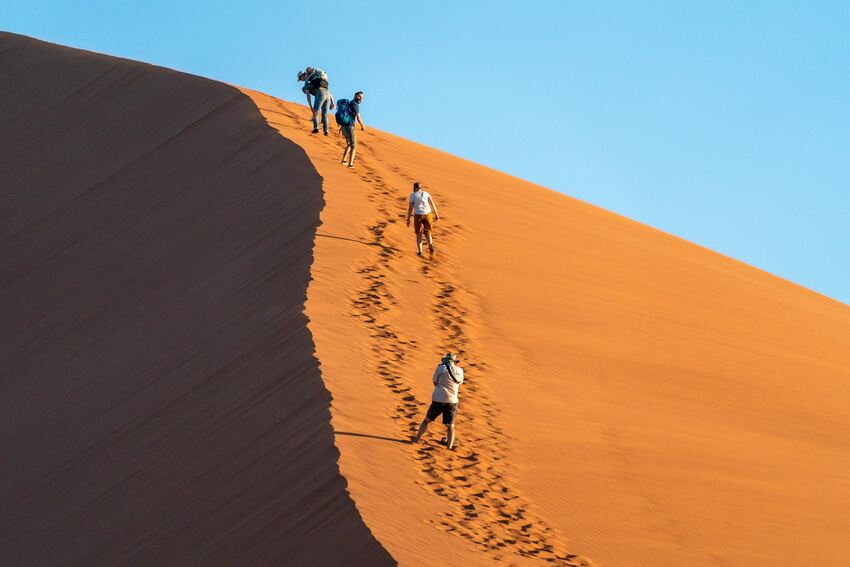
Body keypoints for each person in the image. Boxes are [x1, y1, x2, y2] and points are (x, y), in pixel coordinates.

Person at [413, 353, 464, 450]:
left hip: (438, 399)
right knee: (450, 426)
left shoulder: (440, 368)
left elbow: (434, 382)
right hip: (452, 400)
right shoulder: (460, 370)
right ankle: (449, 447)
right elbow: (459, 383)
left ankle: (417, 439)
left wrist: (441, 386)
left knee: (426, 420)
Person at [405, 181, 439, 257]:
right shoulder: (426, 193)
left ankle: (420, 251)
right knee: (428, 233)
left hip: (418, 215)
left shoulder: (413, 195)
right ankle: (430, 244)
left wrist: (408, 219)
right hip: (428, 214)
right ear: (421, 188)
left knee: (419, 234)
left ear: (414, 188)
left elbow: (410, 208)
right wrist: (436, 215)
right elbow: (432, 204)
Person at [298, 67, 335, 135]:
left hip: (320, 93)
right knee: (325, 114)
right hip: (327, 94)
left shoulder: (307, 85)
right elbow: (328, 91)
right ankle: (326, 131)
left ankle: (316, 128)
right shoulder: (317, 79)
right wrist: (332, 103)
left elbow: (308, 96)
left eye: (300, 78)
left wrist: (311, 106)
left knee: (315, 112)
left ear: (303, 75)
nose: (301, 80)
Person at [339, 91, 366, 168]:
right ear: (355, 95)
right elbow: (358, 116)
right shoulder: (355, 104)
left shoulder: (350, 103)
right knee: (354, 146)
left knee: (349, 144)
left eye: (362, 97)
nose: (361, 98)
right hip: (349, 126)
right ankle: (350, 164)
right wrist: (362, 125)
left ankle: (344, 161)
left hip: (344, 126)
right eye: (359, 96)